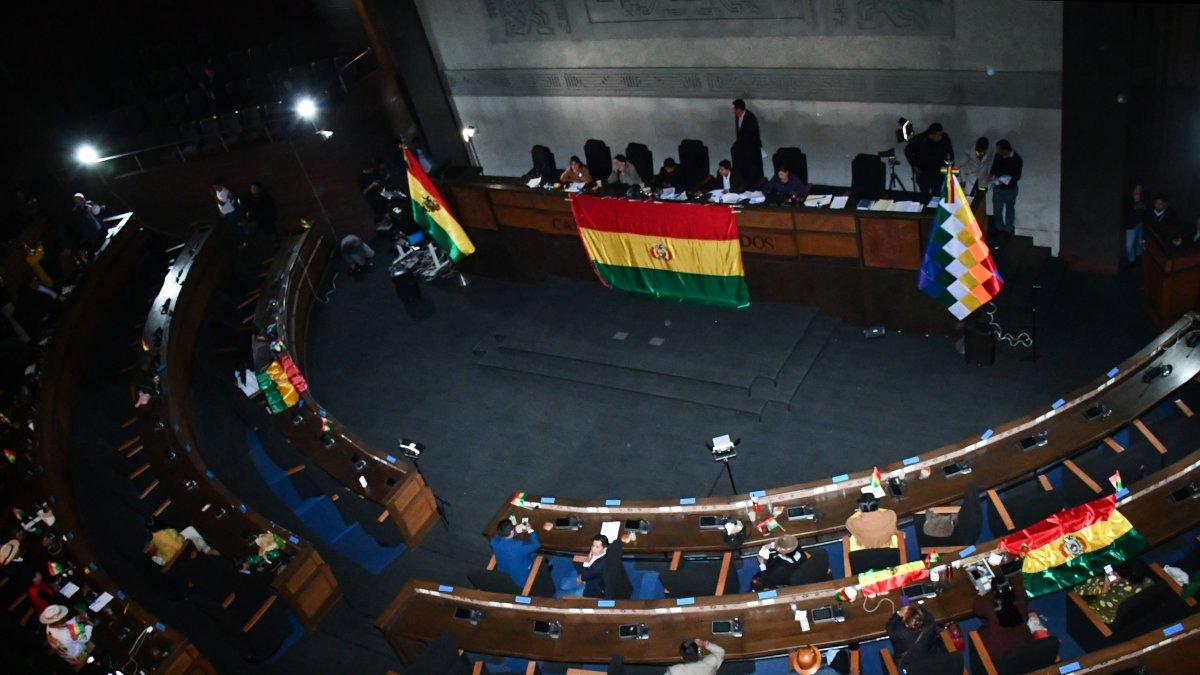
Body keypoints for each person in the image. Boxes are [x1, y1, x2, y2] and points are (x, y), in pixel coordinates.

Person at [972, 576, 1033, 659]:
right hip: (1024, 641)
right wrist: (1005, 585)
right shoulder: (1021, 601)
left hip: (999, 648)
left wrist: (981, 592)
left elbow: (977, 607)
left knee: (982, 628)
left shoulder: (989, 607)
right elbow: (1019, 588)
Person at [1074, 561, 1153, 624]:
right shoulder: (1144, 583)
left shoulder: (1112, 587)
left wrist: (1106, 584)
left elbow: (1077, 591)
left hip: (1097, 616)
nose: (1114, 573)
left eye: (1117, 573)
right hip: (1117, 618)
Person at [904, 122, 955, 196]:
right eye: (937, 135)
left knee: (937, 192)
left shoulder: (945, 138)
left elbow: (950, 153)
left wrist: (950, 167)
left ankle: (934, 202)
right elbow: (907, 151)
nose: (940, 137)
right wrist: (914, 164)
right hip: (923, 170)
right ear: (931, 135)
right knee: (924, 193)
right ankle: (924, 202)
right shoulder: (919, 139)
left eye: (941, 134)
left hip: (938, 170)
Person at [988, 139, 1023, 245]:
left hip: (1010, 189)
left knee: (1009, 209)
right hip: (998, 188)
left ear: (1005, 150)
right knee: (997, 209)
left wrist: (1006, 179)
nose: (997, 151)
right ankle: (999, 228)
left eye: (999, 150)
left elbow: (1017, 176)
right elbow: (994, 167)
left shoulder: (1016, 159)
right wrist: (991, 176)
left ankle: (1008, 229)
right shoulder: (998, 156)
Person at [489, 519, 540, 588]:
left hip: (503, 575)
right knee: (533, 555)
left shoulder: (493, 541)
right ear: (511, 531)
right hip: (521, 581)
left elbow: (500, 536)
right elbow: (536, 545)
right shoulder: (518, 545)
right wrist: (530, 530)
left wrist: (515, 532)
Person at [143, 522, 217, 566]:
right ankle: (207, 550)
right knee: (191, 530)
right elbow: (179, 543)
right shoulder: (168, 532)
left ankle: (207, 550)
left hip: (176, 561)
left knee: (190, 531)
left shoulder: (156, 543)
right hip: (184, 552)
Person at [731, 99, 763, 183]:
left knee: (751, 172)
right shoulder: (737, 117)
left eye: (734, 108)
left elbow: (751, 137)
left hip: (751, 150)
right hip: (742, 150)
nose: (732, 110)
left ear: (739, 109)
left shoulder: (750, 118)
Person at [212, 180, 245, 249]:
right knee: (233, 228)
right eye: (214, 188)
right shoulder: (218, 191)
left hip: (230, 213)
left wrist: (215, 197)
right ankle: (239, 241)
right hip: (226, 213)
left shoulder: (225, 192)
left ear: (219, 185)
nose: (215, 189)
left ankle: (243, 241)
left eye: (215, 187)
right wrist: (221, 212)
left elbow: (222, 203)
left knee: (236, 227)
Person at [1123, 180, 1149, 266]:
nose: (1138, 190)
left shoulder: (1144, 196)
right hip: (1131, 225)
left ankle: (1138, 258)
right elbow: (1126, 213)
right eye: (1136, 188)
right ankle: (1131, 260)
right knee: (1129, 245)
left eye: (1140, 188)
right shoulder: (1127, 198)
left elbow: (1146, 210)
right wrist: (1135, 202)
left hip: (1141, 224)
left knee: (1139, 243)